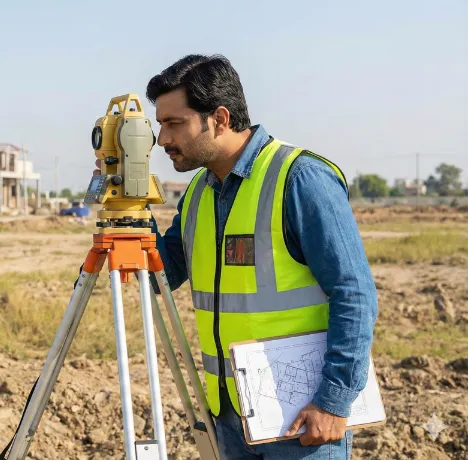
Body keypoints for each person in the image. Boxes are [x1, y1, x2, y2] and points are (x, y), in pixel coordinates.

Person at [140, 54, 379, 459]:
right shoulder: (199, 192)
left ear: (218, 117)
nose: (161, 139)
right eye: (160, 124)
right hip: (230, 412)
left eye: (173, 123)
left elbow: (354, 293)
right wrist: (130, 216)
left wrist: (333, 402)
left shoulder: (299, 178)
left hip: (302, 418)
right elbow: (161, 272)